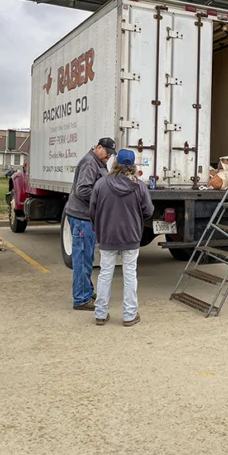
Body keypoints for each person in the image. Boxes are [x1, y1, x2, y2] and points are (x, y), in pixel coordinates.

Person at [88, 149, 154, 327]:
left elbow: (92, 210)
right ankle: (129, 315)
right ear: (132, 165)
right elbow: (148, 211)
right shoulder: (139, 186)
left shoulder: (101, 184)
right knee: (130, 274)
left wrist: (98, 228)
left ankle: (100, 314)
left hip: (107, 236)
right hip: (131, 236)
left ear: (115, 163)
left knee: (105, 274)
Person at [64, 137, 116, 310]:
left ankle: (86, 290)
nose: (108, 156)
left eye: (110, 154)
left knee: (87, 257)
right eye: (107, 152)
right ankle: (81, 299)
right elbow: (83, 190)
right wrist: (103, 199)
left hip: (86, 217)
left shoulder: (98, 163)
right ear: (99, 147)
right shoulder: (89, 163)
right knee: (82, 258)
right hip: (81, 217)